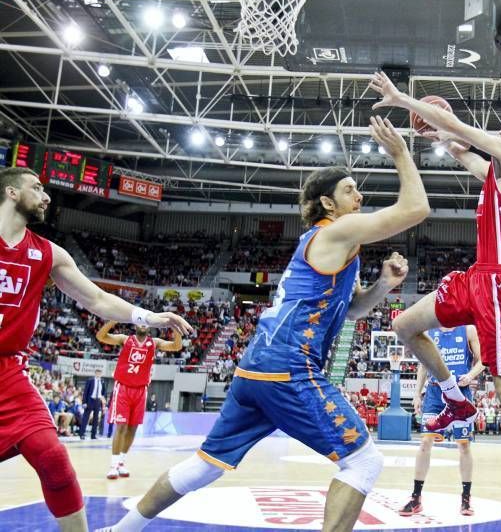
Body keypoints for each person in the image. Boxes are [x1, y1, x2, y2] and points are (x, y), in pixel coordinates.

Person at [99, 116, 430, 532]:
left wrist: (384, 284)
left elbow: (351, 311)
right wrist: (400, 151)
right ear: (328, 204)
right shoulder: (336, 232)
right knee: (363, 461)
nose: (360, 197)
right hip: (290, 368)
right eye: (350, 190)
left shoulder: (331, 245)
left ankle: (119, 530)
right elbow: (417, 209)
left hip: (255, 367)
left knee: (206, 466)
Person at [369, 71, 501, 530]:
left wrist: (401, 98)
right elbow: (462, 149)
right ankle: (455, 398)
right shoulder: (500, 169)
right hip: (479, 277)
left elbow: (469, 136)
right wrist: (439, 133)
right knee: (404, 326)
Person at [0, 166, 192, 532]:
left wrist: (150, 316)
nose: (47, 196)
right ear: (11, 193)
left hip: (9, 375)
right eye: (37, 187)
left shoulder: (47, 253)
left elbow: (98, 300)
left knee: (54, 456)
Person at [400, 325, 483, 517]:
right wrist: (417, 394)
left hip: (459, 392)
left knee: (464, 446)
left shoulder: (468, 330)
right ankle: (416, 497)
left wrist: (470, 375)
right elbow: (423, 365)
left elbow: (482, 360)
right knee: (424, 443)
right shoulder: (429, 332)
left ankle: (466, 497)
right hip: (435, 394)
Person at [95, 320, 183, 479]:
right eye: (140, 321)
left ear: (149, 327)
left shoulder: (154, 343)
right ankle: (113, 465)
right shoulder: (125, 339)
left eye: (145, 322)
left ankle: (121, 462)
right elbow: (101, 336)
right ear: (135, 325)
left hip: (141, 390)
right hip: (123, 388)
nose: (143, 325)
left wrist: (175, 328)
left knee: (132, 428)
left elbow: (176, 346)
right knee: (121, 426)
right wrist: (114, 319)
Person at [80, 368, 106, 440]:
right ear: (95, 373)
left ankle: (93, 435)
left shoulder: (102, 381)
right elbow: (85, 392)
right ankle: (82, 434)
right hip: (90, 400)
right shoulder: (90, 380)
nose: (98, 374)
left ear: (101, 374)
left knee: (96, 418)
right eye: (97, 373)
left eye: (100, 373)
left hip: (97, 401)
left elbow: (103, 392)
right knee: (86, 417)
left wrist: (102, 401)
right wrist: (84, 402)